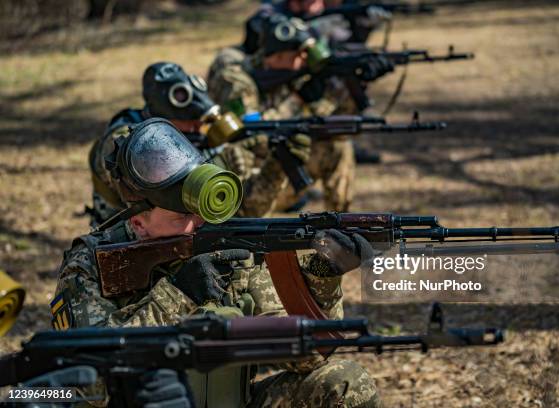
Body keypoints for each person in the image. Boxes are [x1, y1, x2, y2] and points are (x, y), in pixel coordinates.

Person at [54, 118, 380, 407]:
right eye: (183, 215)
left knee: (344, 382)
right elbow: (87, 383)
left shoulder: (224, 249)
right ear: (138, 223)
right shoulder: (90, 264)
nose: (200, 223)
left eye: (202, 211)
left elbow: (308, 358)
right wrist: (178, 295)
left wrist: (323, 275)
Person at [87, 61, 311, 227]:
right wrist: (219, 162)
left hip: (186, 229)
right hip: (128, 236)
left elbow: (246, 209)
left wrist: (271, 162)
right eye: (190, 126)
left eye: (200, 125)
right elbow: (160, 189)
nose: (198, 131)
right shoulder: (122, 141)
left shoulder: (196, 138)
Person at [207, 14, 387, 211]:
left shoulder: (296, 76)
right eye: (299, 54)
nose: (305, 60)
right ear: (277, 56)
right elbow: (251, 132)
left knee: (339, 147)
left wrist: (352, 87)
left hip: (281, 175)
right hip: (244, 184)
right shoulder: (236, 79)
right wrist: (298, 100)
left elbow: (337, 125)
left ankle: (341, 224)